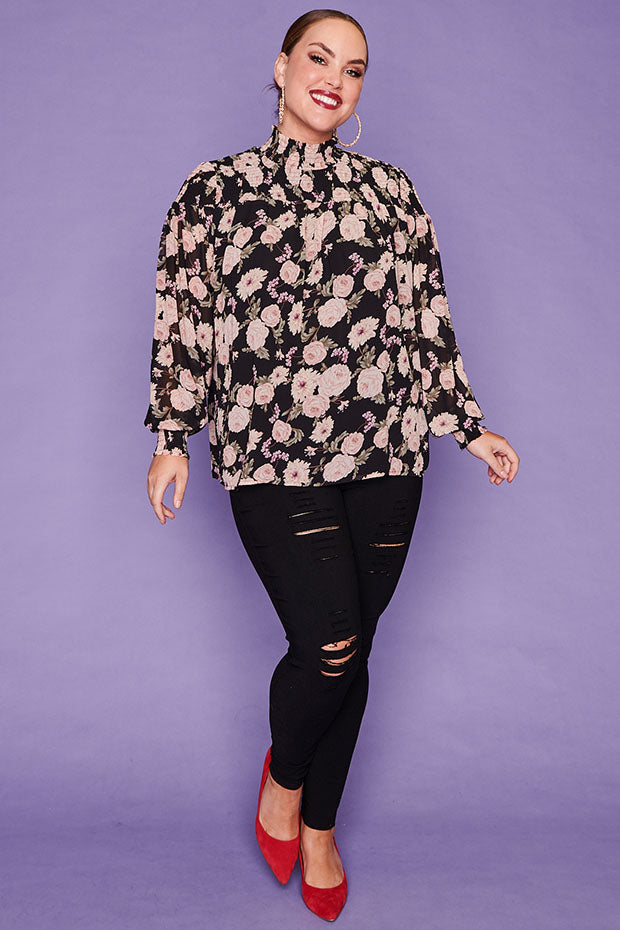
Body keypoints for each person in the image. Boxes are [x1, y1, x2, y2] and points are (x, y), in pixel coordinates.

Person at [144, 9, 519, 921]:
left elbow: (426, 317)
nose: (334, 79)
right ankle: (285, 781)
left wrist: (467, 426)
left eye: (353, 69)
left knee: (356, 652)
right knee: (331, 645)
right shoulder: (212, 191)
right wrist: (171, 437)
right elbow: (182, 317)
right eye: (318, 58)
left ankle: (319, 826)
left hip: (388, 449)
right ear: (280, 68)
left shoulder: (391, 191)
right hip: (270, 453)